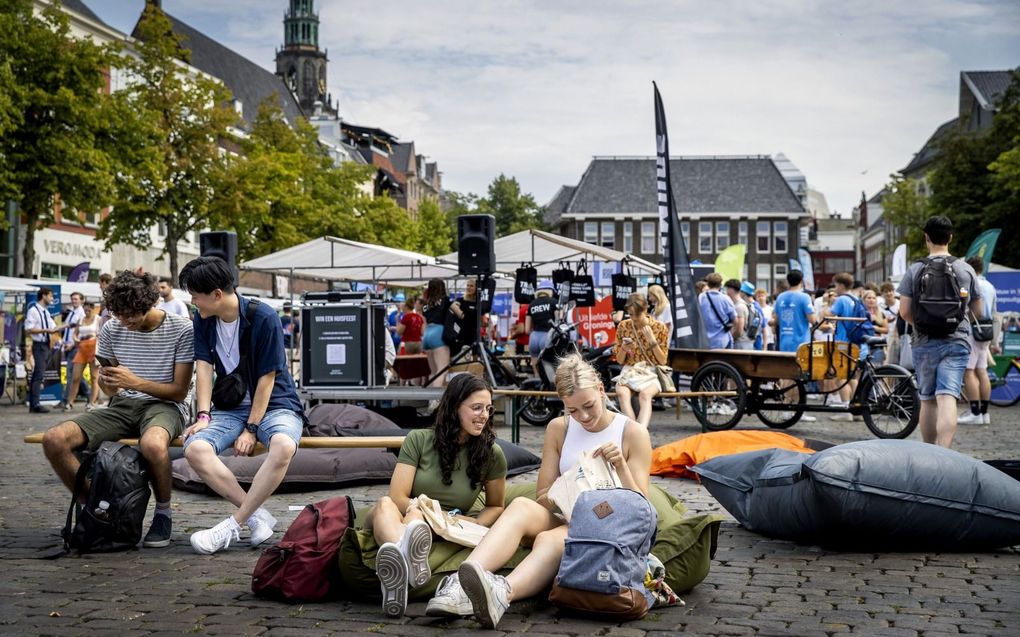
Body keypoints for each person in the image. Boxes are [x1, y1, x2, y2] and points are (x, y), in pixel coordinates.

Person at [428, 354, 652, 629]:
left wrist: (620, 466)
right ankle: (458, 586)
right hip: (568, 513)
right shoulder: (558, 429)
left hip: (608, 524)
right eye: (572, 410)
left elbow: (643, 507)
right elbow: (542, 495)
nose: (583, 417)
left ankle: (502, 592)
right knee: (522, 505)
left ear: (601, 389)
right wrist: (569, 487)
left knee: (549, 539)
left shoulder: (632, 433)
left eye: (589, 406)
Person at [42, 270, 194, 548]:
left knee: (152, 445)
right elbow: (112, 389)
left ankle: (163, 512)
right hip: (124, 405)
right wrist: (108, 382)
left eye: (131, 314)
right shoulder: (113, 328)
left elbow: (179, 391)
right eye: (119, 314)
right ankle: (98, 511)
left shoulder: (181, 329)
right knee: (54, 440)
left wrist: (135, 381)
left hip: (166, 406)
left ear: (149, 304)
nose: (125, 321)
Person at [178, 256, 304, 554]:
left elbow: (267, 378)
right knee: (195, 447)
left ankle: (232, 525)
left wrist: (251, 428)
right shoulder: (204, 320)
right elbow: (204, 367)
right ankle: (256, 515)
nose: (194, 304)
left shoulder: (263, 317)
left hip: (276, 404)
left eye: (196, 297)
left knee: (284, 446)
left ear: (217, 295)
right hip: (231, 406)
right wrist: (204, 415)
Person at [363, 374, 507, 618]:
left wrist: (477, 522)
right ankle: (406, 559)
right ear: (453, 407)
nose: (485, 415)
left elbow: (496, 505)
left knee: (413, 515)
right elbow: (398, 496)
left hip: (448, 525)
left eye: (488, 408)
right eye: (476, 408)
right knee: (385, 503)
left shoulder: (492, 454)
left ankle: (398, 570)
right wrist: (423, 513)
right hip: (404, 515)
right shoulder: (418, 440)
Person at [898, 216, 982, 448]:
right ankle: (944, 452)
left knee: (928, 399)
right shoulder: (965, 269)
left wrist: (924, 322)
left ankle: (928, 451)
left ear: (926, 238)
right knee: (947, 396)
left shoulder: (915, 269)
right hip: (957, 340)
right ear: (950, 238)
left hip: (924, 341)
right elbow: (978, 309)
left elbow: (904, 311)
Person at [613, 293, 670, 428]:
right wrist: (623, 349)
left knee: (645, 395)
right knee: (622, 393)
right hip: (630, 370)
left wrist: (652, 340)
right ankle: (634, 430)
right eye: (630, 314)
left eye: (636, 315)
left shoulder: (659, 327)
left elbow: (662, 361)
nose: (633, 319)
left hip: (651, 372)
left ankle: (640, 430)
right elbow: (620, 361)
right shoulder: (623, 326)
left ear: (645, 310)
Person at [959, 256, 998, 426]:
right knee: (982, 371)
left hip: (972, 330)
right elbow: (995, 312)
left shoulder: (972, 284)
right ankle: (984, 413)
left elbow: (969, 308)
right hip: (987, 331)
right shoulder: (990, 286)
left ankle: (975, 412)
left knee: (968, 371)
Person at [825, 272, 860, 413]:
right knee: (852, 377)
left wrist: (828, 304)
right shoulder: (856, 299)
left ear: (840, 285)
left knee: (840, 376)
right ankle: (856, 407)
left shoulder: (841, 300)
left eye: (836, 285)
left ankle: (846, 408)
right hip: (854, 342)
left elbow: (827, 315)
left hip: (842, 342)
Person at [25, 287, 63, 413]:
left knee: (39, 374)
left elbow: (53, 327)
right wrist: (46, 330)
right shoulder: (33, 311)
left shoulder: (45, 312)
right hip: (39, 345)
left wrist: (67, 325)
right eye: (51, 296)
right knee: (39, 374)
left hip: (46, 345)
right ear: (44, 296)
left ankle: (35, 403)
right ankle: (35, 404)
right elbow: (29, 329)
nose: (52, 299)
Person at [64, 301, 101, 412]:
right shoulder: (81, 320)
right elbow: (75, 333)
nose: (87, 311)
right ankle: (70, 402)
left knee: (94, 377)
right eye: (85, 309)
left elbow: (100, 334)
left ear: (93, 309)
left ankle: (92, 402)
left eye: (89, 309)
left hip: (94, 348)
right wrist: (75, 339)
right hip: (82, 348)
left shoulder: (98, 319)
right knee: (76, 377)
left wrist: (94, 337)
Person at [772, 271, 816, 354]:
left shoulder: (780, 297)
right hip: (801, 343)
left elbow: (776, 320)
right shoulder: (805, 297)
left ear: (788, 281)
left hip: (784, 341)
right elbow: (813, 320)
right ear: (801, 281)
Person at [60, 292, 90, 409]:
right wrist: (63, 342)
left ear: (82, 301)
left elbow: (78, 332)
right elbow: (68, 328)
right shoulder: (72, 312)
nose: (74, 301)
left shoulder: (81, 314)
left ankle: (66, 400)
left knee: (71, 375)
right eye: (72, 299)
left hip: (75, 347)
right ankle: (90, 395)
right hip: (68, 346)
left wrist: (72, 345)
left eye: (76, 299)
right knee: (77, 376)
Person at [422, 279, 452, 388]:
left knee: (433, 372)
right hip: (439, 332)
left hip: (427, 334)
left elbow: (424, 321)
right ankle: (436, 400)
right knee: (442, 370)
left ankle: (431, 401)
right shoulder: (446, 301)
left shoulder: (426, 304)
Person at [699, 273, 736, 349]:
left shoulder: (701, 297)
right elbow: (735, 319)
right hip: (722, 341)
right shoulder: (725, 299)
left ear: (708, 284)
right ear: (720, 285)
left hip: (704, 341)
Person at [525, 288, 557, 375]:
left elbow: (527, 330)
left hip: (534, 337)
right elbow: (557, 323)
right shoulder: (553, 302)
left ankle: (538, 382)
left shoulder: (531, 305)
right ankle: (549, 387)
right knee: (549, 369)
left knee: (536, 368)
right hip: (547, 336)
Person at [861, 289, 888, 363]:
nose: (871, 300)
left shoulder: (880, 313)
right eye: (869, 298)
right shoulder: (860, 313)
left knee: (877, 368)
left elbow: (886, 330)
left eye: (873, 298)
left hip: (877, 345)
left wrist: (876, 328)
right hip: (864, 344)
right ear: (864, 300)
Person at [724, 279, 751, 350]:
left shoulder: (739, 306)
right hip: (742, 343)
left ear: (731, 290)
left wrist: (730, 339)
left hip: (740, 344)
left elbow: (739, 330)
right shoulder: (737, 304)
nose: (726, 292)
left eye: (727, 289)